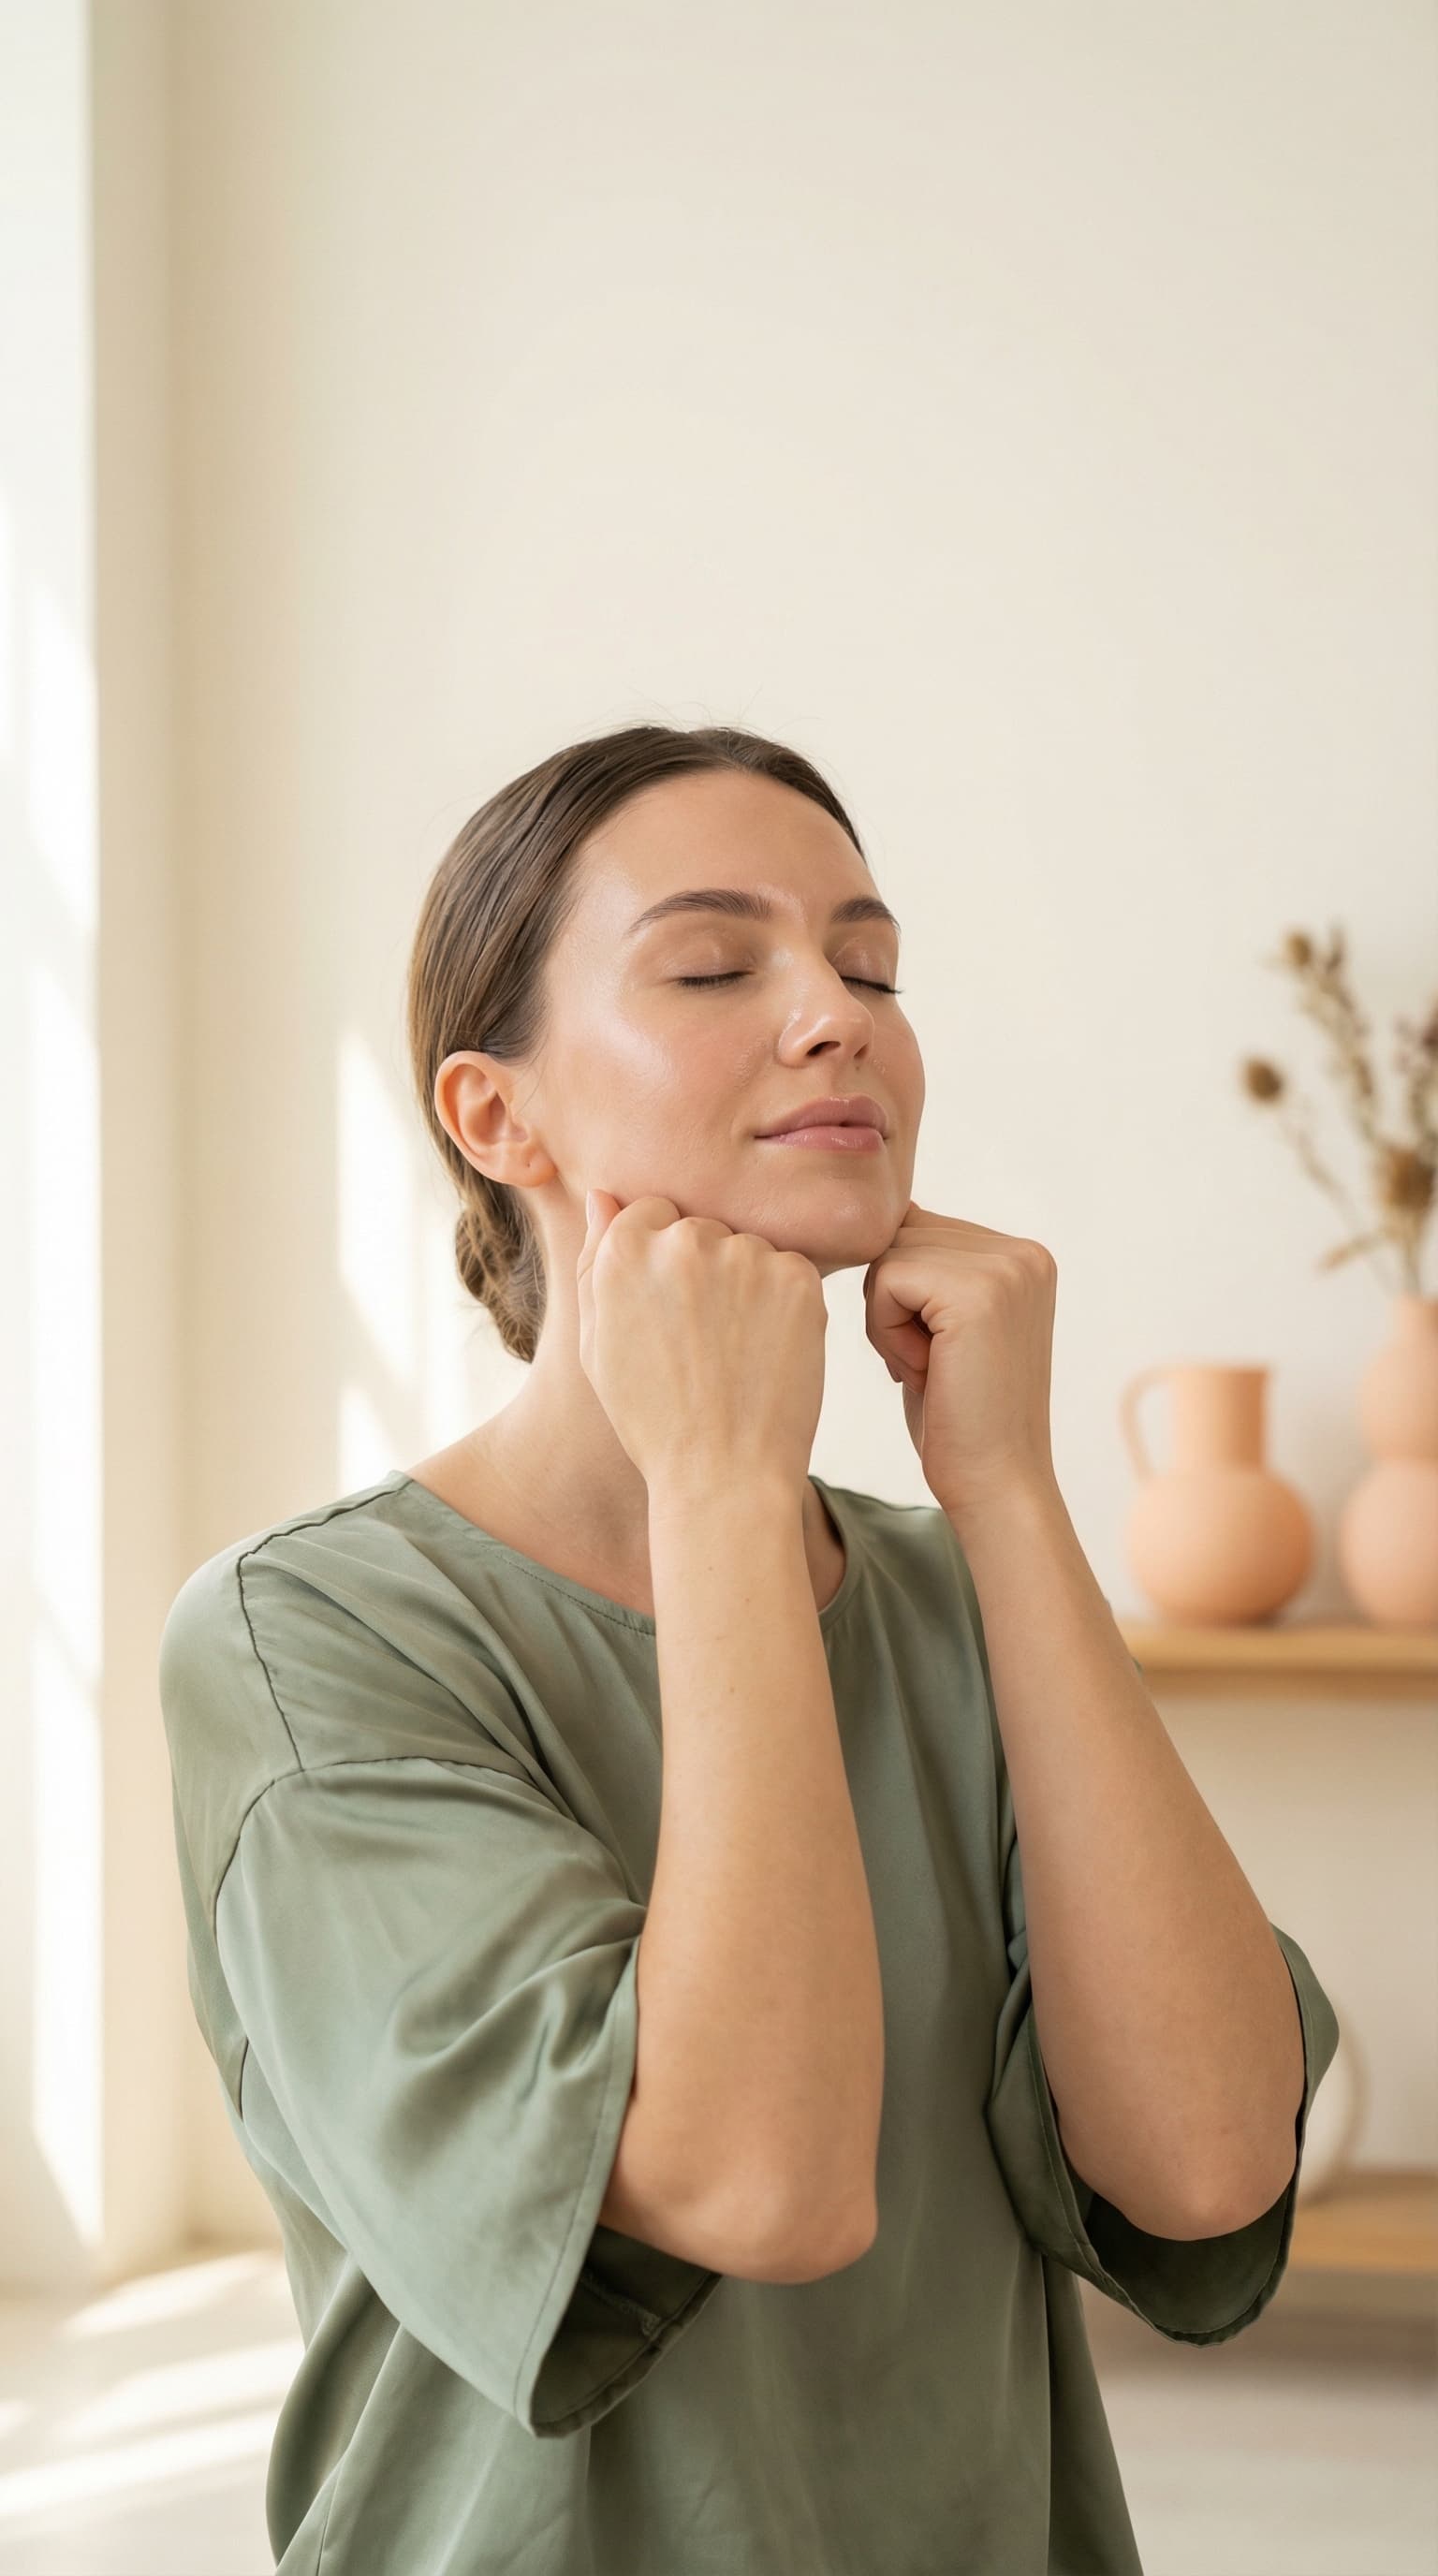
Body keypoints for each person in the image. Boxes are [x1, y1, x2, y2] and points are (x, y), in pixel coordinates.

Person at [158, 721, 1339, 2575]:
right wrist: (716, 1489)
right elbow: (756, 2181)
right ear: (498, 1116)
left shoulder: (956, 1587)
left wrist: (1010, 1494)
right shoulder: (311, 1632)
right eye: (717, 965)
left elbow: (1206, 2157)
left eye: (869, 963)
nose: (836, 1013)